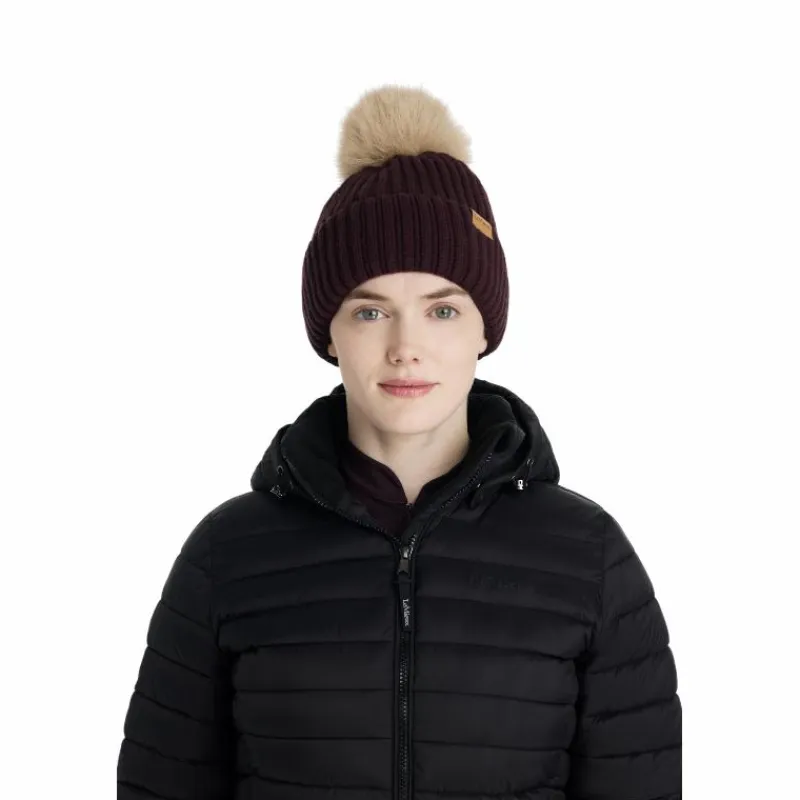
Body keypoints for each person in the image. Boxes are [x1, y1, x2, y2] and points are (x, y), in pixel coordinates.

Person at [117, 84, 682, 800]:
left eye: (442, 310)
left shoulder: (589, 559)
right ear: (330, 333)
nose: (405, 346)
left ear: (485, 329)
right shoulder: (227, 556)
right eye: (370, 311)